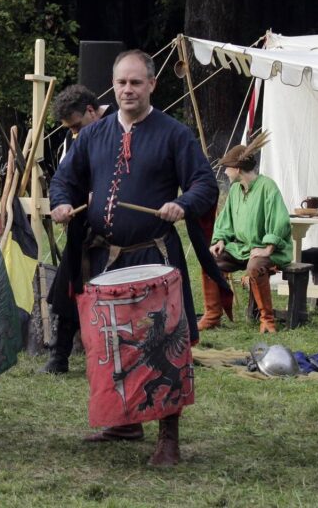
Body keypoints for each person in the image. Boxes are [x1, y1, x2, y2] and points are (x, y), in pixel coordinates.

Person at [50, 50, 228, 466]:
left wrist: (183, 204)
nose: (127, 89)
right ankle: (127, 421)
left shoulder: (174, 134)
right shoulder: (93, 134)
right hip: (106, 259)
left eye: (135, 82)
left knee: (162, 345)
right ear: (112, 86)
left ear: (151, 85)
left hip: (155, 256)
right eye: (121, 83)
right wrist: (61, 203)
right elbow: (65, 179)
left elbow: (205, 183)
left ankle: (168, 437)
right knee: (113, 344)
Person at [40, 84, 115, 374]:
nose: (74, 133)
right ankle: (59, 356)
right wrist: (61, 202)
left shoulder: (123, 124)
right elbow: (63, 178)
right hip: (83, 223)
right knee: (69, 285)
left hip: (119, 226)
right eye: (69, 128)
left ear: (91, 111)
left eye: (76, 125)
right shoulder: (80, 137)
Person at [202, 133, 293, 333]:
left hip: (270, 251)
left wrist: (268, 248)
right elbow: (226, 220)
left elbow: (280, 221)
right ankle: (213, 316)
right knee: (210, 259)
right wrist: (220, 240)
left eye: (228, 168)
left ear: (238, 168)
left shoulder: (268, 187)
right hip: (241, 248)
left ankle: (267, 320)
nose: (225, 172)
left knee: (255, 265)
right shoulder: (235, 190)